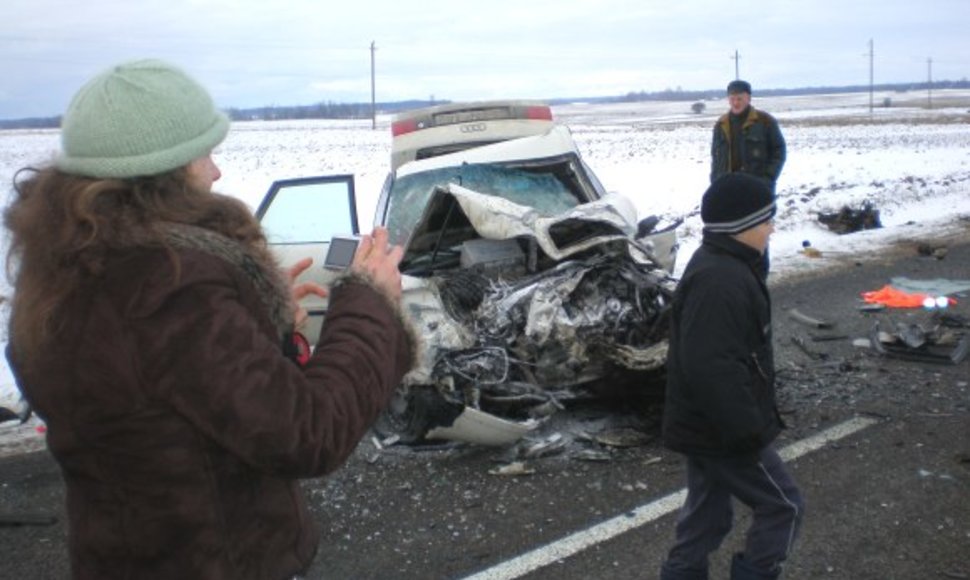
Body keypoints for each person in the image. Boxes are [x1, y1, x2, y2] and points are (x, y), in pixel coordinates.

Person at [3, 59, 416, 580]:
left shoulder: (65, 269)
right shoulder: (171, 285)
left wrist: (253, 326)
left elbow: (159, 398)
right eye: (205, 154)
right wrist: (369, 301)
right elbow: (307, 432)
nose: (216, 172)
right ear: (167, 173)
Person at [659, 173, 803, 580]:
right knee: (783, 506)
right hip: (723, 430)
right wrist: (747, 433)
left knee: (708, 516)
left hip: (705, 425)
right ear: (741, 228)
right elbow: (711, 367)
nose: (772, 228)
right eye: (766, 220)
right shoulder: (721, 281)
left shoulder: (729, 265)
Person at [710, 80, 787, 193]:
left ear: (748, 98)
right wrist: (715, 182)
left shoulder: (765, 121)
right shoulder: (721, 125)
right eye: (732, 99)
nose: (735, 103)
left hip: (758, 189)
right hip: (727, 190)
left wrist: (768, 178)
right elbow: (715, 158)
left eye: (740, 99)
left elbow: (779, 151)